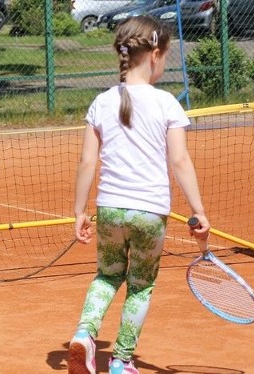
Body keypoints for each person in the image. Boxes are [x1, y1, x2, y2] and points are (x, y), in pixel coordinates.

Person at [67, 16, 210, 374]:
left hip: (110, 208)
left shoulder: (101, 101)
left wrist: (79, 211)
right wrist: (198, 211)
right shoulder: (167, 103)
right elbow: (179, 160)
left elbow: (87, 161)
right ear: (156, 54)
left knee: (106, 276)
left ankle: (85, 335)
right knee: (141, 286)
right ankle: (122, 361)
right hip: (150, 212)